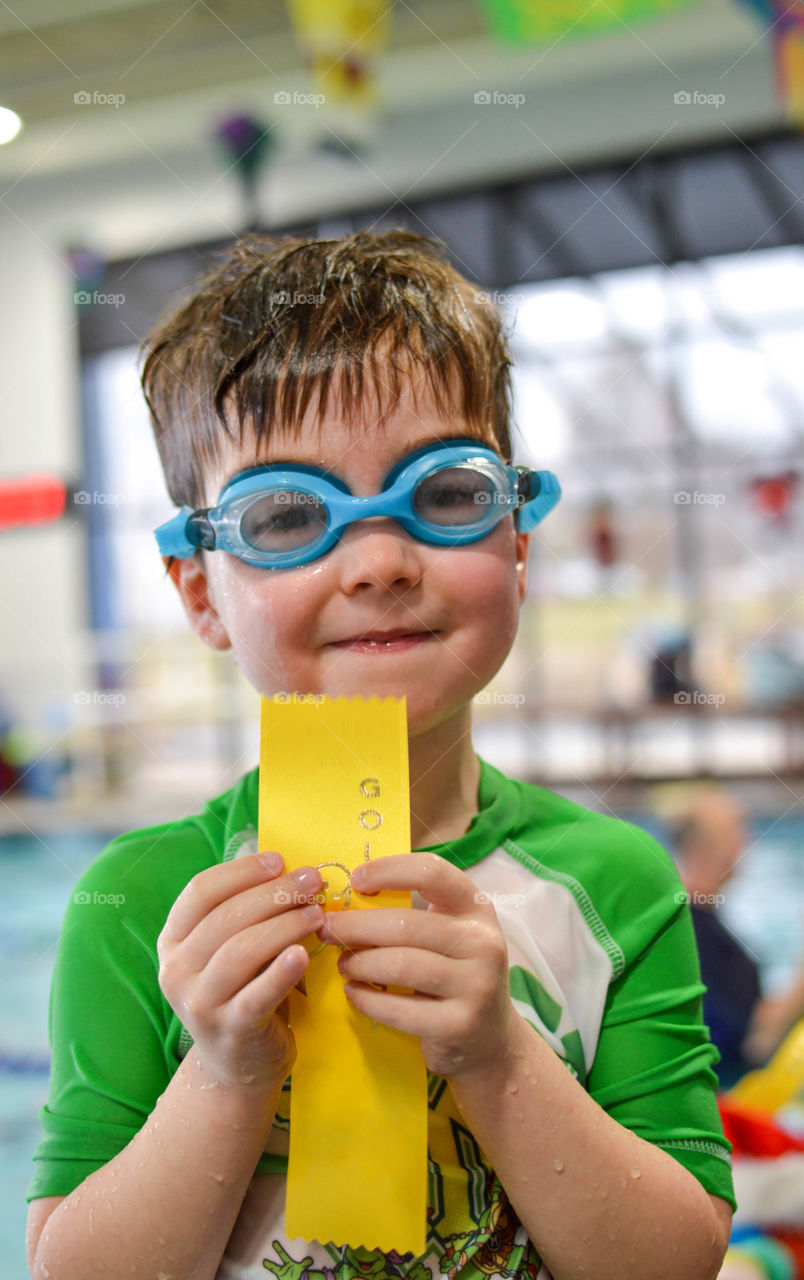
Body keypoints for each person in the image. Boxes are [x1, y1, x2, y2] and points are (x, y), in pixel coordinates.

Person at [26, 232, 733, 1280]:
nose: (379, 560)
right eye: (285, 515)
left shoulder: (615, 882)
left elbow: (673, 1260)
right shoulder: (141, 903)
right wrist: (224, 1071)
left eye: (444, 494)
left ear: (519, 541)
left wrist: (498, 1059)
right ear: (198, 591)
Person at [673, 785, 804, 1090]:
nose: (747, 842)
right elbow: (759, 1038)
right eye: (738, 831)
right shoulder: (693, 931)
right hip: (727, 1109)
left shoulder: (701, 925)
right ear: (709, 847)